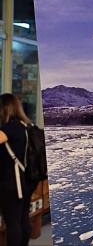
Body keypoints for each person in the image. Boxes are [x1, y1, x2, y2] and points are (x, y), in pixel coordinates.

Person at [0, 93, 34, 246]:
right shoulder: (24, 126)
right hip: (25, 180)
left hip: (11, 183)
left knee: (13, 223)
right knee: (22, 219)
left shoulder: (9, 128)